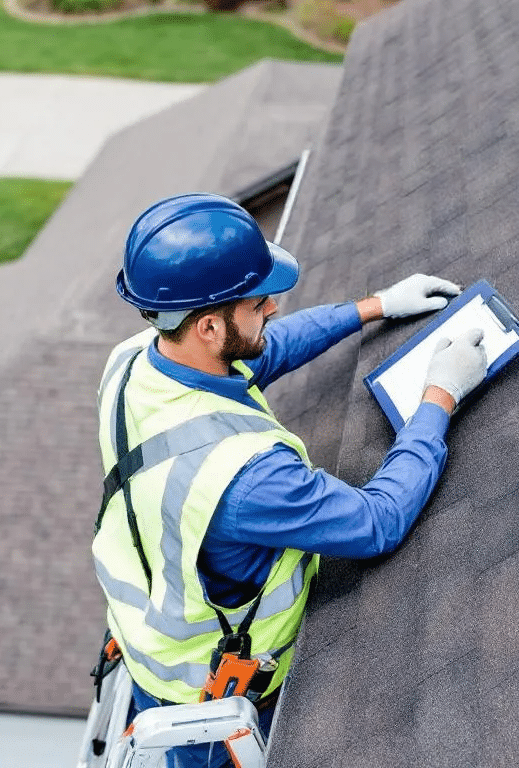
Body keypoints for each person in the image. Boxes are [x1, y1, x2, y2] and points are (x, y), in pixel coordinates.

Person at [91, 193, 488, 767]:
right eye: (258, 302)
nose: (274, 306)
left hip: (146, 645)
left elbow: (264, 350)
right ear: (207, 326)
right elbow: (376, 520)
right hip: (216, 701)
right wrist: (439, 397)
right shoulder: (245, 477)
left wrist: (375, 306)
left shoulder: (134, 363)